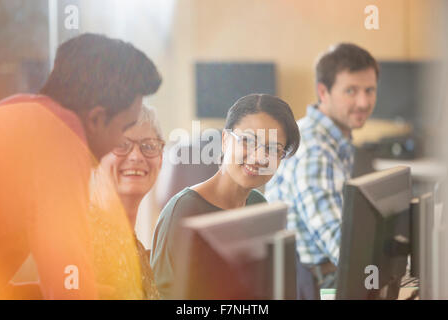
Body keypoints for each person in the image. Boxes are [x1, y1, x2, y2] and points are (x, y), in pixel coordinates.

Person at [0, 33, 161, 299]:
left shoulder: (18, 111)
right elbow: (68, 283)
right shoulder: (59, 142)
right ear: (96, 119)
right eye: (125, 128)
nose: (126, 146)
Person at [151, 93, 301, 299]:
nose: (259, 157)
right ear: (224, 140)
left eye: (272, 149)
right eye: (248, 141)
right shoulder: (184, 211)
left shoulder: (259, 206)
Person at [265, 43, 379, 292]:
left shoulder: (330, 137)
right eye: (351, 91)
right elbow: (342, 247)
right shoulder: (314, 149)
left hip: (320, 275)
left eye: (369, 90)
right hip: (313, 285)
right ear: (323, 92)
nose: (363, 102)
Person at [92, 104, 164, 299]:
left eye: (148, 146)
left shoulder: (136, 250)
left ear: (161, 158)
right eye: (121, 144)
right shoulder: (79, 236)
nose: (136, 156)